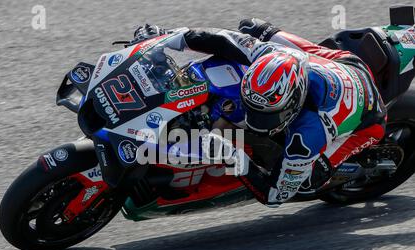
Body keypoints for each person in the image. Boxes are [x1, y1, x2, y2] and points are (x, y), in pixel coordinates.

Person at [130, 19, 386, 207]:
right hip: (340, 62)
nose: (254, 120)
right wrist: (163, 38)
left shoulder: (309, 134)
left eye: (266, 114)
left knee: (309, 181)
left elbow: (275, 196)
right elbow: (218, 38)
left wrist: (233, 156)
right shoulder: (269, 54)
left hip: (369, 117)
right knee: (251, 27)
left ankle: (333, 168)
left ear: (293, 103)